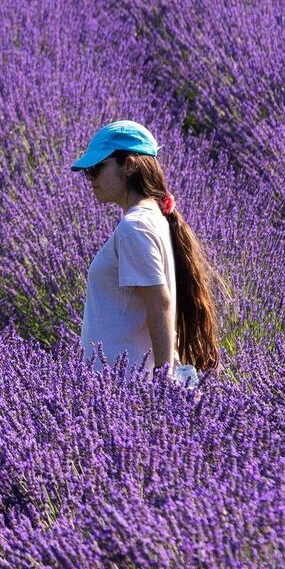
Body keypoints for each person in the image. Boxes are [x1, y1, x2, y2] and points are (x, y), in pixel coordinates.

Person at [70, 120, 222, 388]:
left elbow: (159, 302)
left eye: (96, 168)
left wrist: (164, 382)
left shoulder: (135, 226)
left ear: (128, 165)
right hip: (118, 385)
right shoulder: (150, 218)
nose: (90, 178)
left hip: (124, 386)